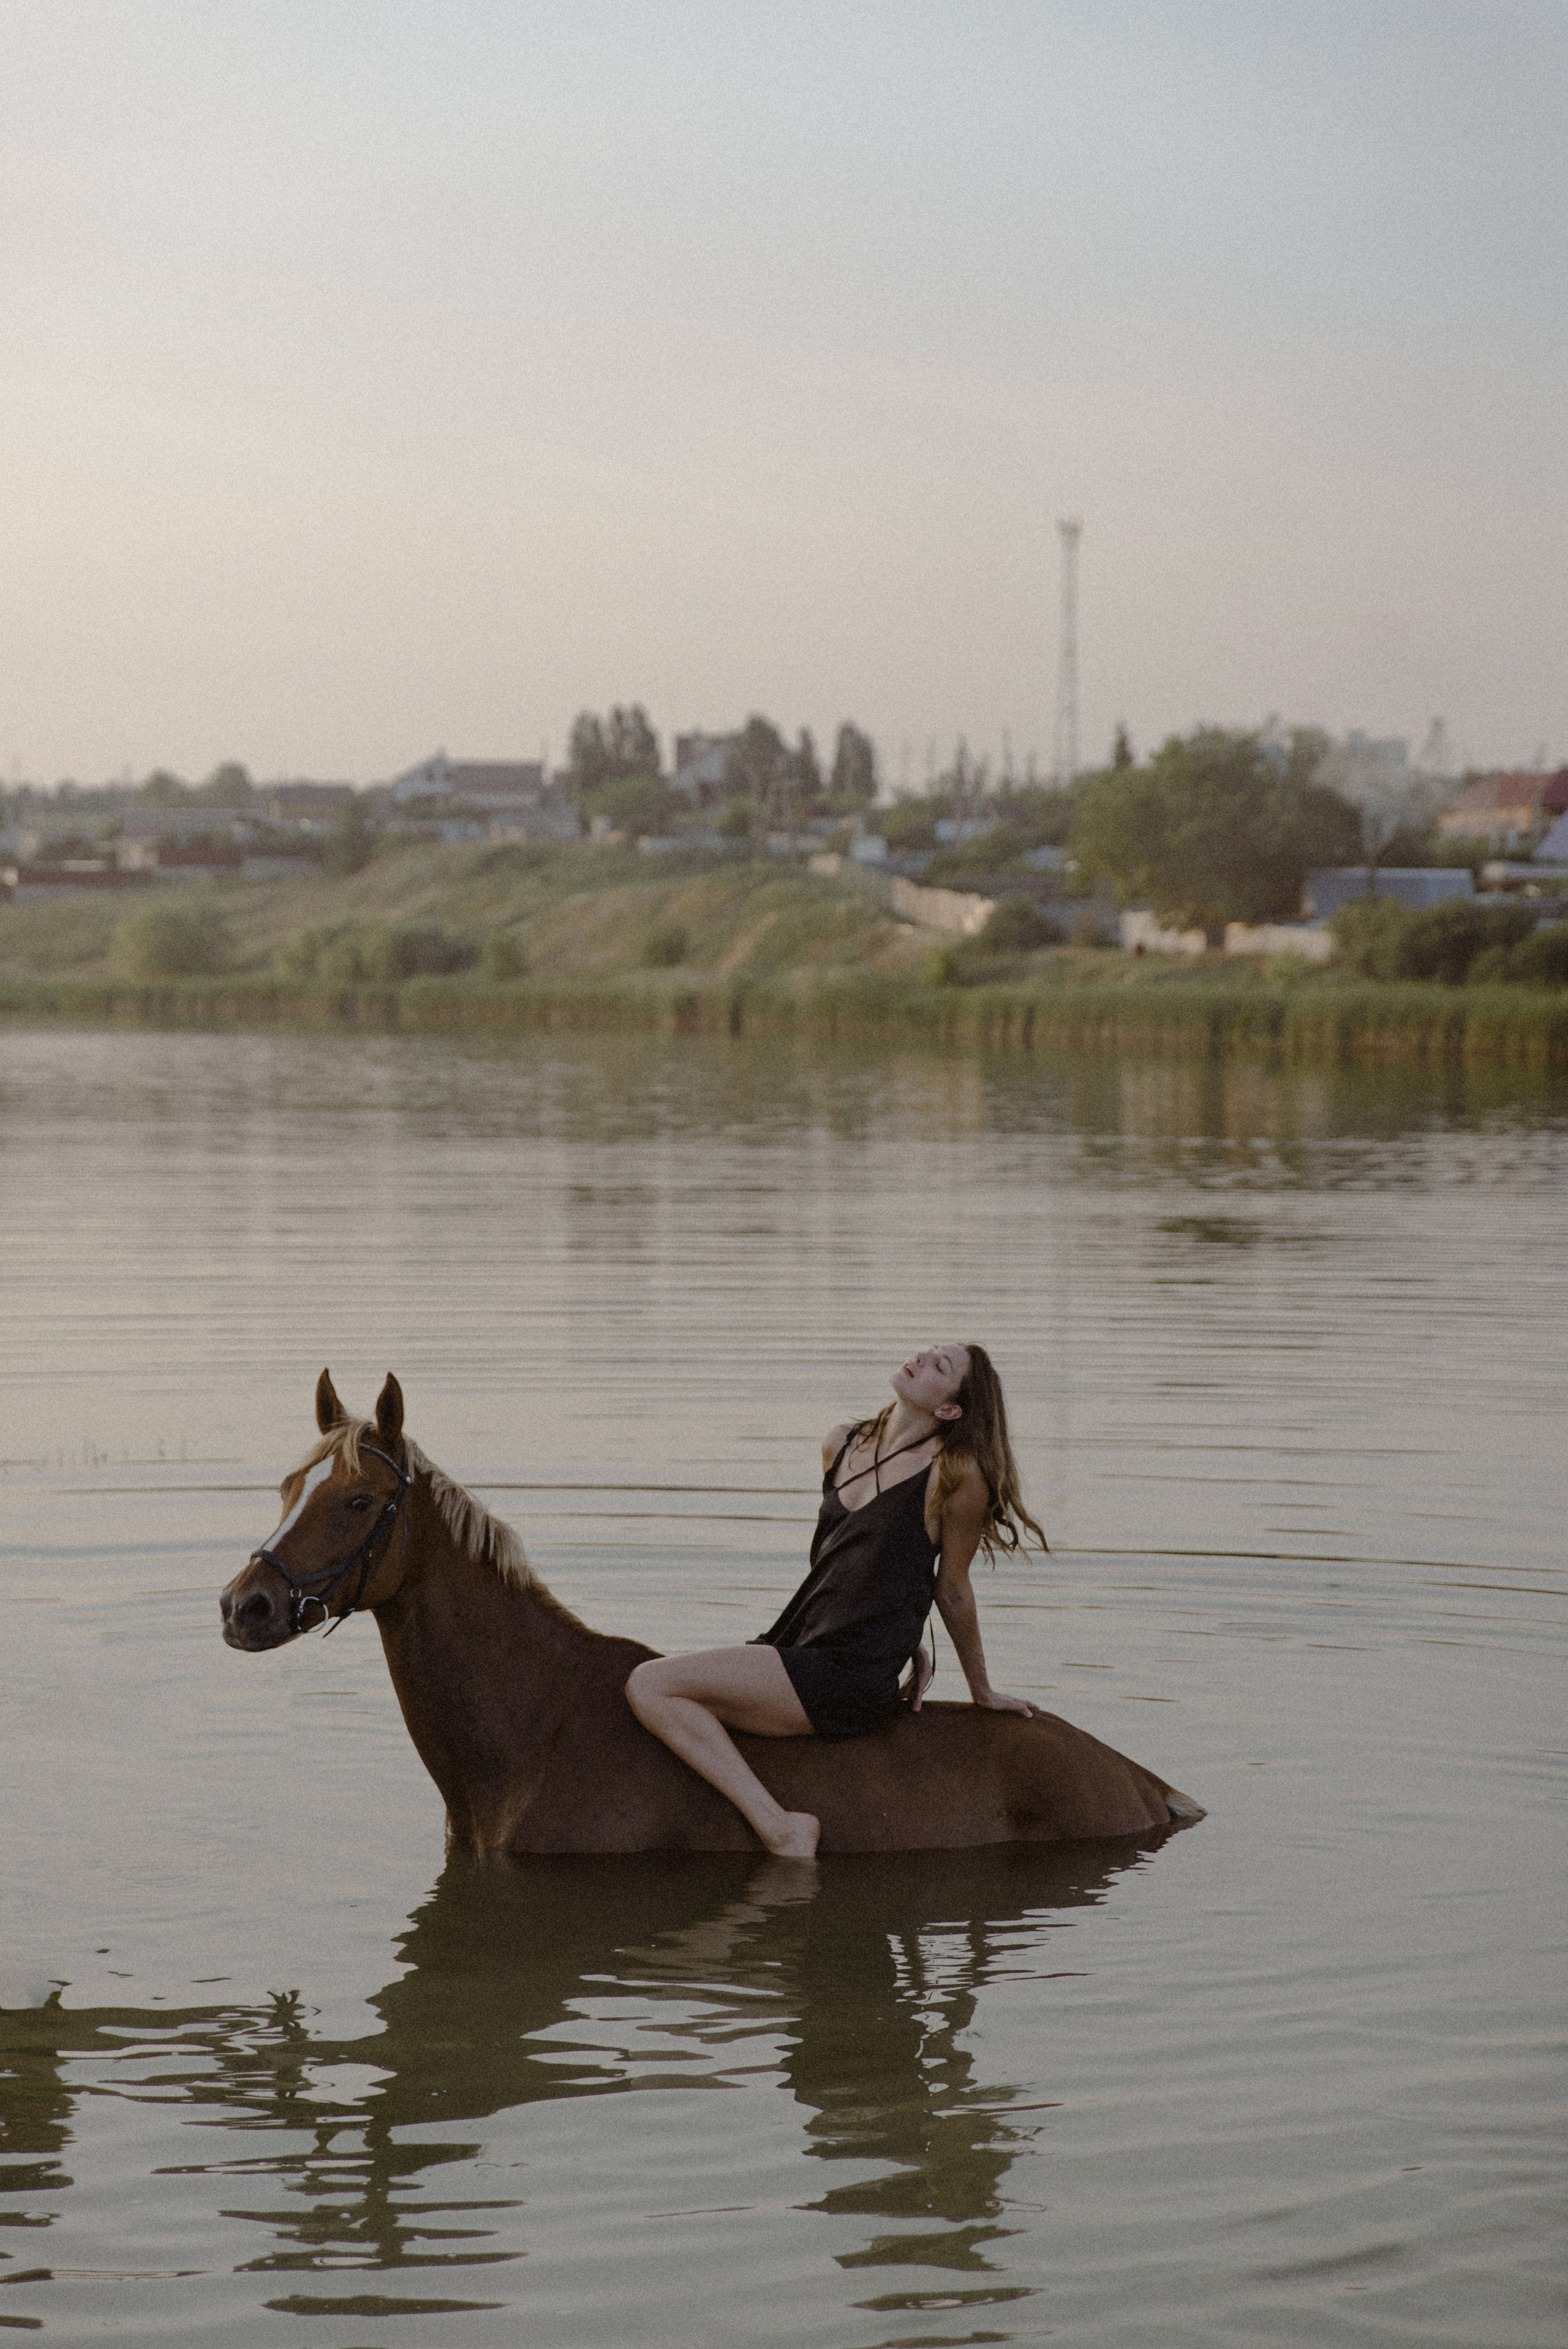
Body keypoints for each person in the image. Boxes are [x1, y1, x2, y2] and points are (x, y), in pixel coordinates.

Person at [625, 1342, 1047, 1860]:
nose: (921, 1357)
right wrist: (903, 1630)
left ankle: (781, 1828)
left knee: (651, 1684)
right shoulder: (841, 1443)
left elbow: (952, 1586)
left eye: (941, 1366)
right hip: (801, 1640)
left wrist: (980, 1689)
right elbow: (843, 1563)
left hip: (847, 1673)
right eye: (928, 1350)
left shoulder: (956, 1474)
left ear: (950, 1410)